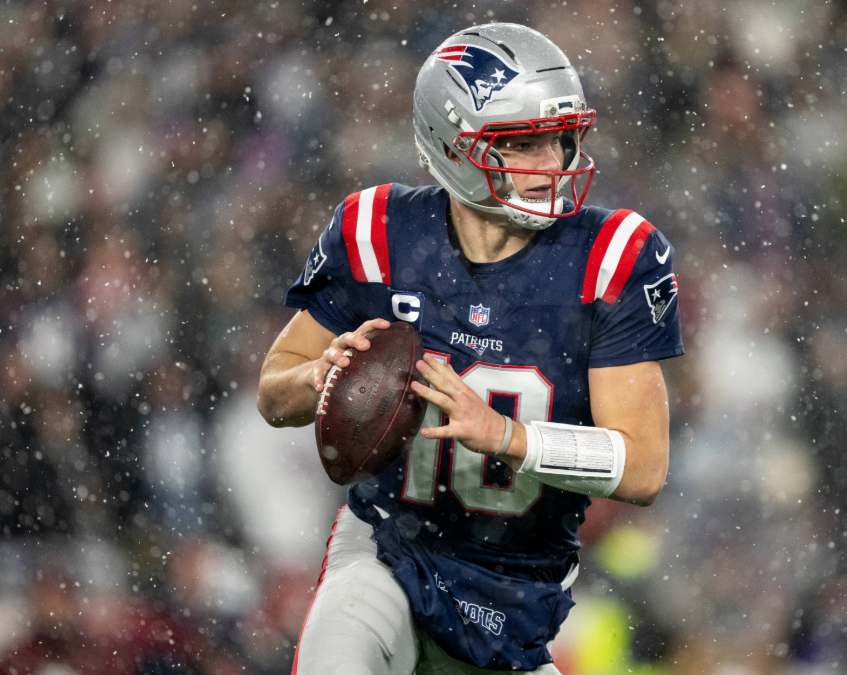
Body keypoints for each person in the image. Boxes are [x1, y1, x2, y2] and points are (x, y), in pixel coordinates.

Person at [257, 23, 684, 675]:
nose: (552, 164)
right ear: (454, 146)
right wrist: (320, 374)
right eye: (522, 142)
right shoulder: (377, 232)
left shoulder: (613, 257)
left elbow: (645, 466)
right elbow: (273, 391)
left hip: (517, 594)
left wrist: (510, 437)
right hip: (389, 550)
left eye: (560, 137)